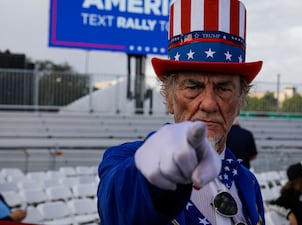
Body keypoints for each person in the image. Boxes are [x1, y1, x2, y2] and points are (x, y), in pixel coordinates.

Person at [97, 0, 265, 224]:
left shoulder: (247, 181)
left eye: (223, 88)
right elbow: (120, 206)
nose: (208, 104)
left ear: (240, 101)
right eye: (193, 87)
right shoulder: (125, 160)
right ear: (169, 98)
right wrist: (152, 175)